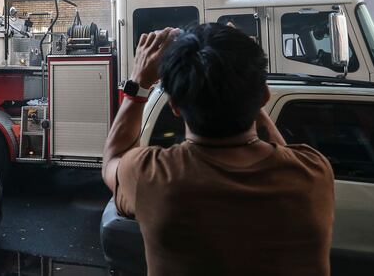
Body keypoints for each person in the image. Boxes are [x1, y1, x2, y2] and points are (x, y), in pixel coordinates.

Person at [102, 24, 334, 276]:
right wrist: (240, 81)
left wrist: (138, 84)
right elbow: (283, 154)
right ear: (264, 97)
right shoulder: (313, 172)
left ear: (174, 106)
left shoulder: (153, 175)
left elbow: (113, 158)